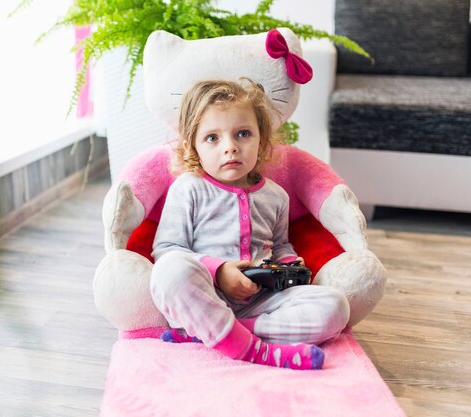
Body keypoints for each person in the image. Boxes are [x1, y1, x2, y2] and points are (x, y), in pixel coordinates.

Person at [150, 78, 350, 370]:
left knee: (335, 307)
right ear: (191, 145)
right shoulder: (188, 189)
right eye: (212, 138)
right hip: (203, 297)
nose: (230, 147)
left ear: (261, 140)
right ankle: (256, 350)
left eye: (243, 134)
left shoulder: (276, 197)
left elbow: (280, 244)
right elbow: (167, 250)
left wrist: (290, 264)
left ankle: (225, 332)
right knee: (169, 271)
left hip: (260, 300)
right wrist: (219, 273)